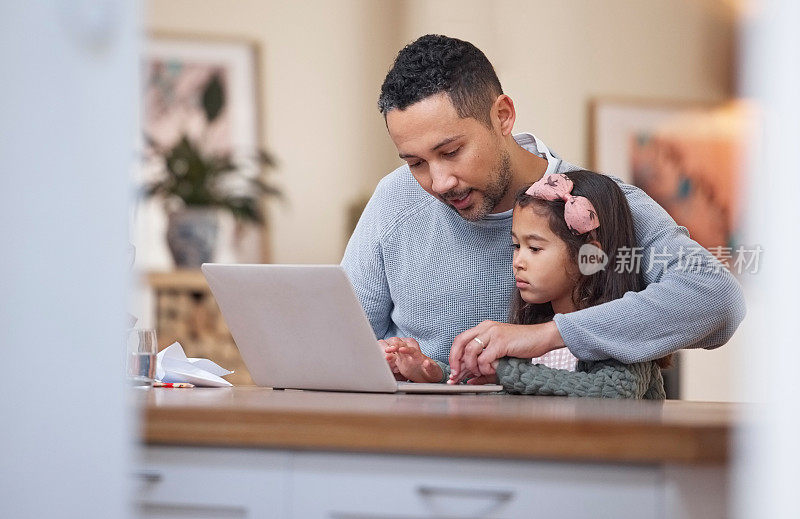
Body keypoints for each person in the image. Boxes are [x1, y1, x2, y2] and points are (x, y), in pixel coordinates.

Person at [341, 34, 745, 377]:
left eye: (451, 151)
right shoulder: (395, 199)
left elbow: (718, 298)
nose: (438, 182)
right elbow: (344, 338)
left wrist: (547, 335)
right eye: (415, 163)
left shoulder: (596, 205)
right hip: (417, 449)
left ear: (502, 116)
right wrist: (383, 361)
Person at [388, 170, 667, 398]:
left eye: (534, 248)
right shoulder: (527, 332)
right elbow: (490, 385)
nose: (518, 261)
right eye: (515, 245)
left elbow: (612, 391)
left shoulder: (621, 334)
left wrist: (506, 373)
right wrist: (433, 374)